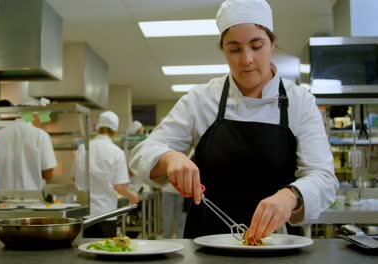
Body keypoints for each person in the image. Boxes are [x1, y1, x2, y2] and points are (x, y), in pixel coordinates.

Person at [129, 0, 338, 241]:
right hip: (206, 243)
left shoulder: (300, 102)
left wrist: (291, 196)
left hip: (277, 244)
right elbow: (142, 153)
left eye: (256, 45)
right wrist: (169, 158)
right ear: (223, 50)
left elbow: (323, 177)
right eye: (234, 49)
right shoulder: (202, 99)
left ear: (273, 42)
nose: (246, 59)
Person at [72, 111, 139, 238]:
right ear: (114, 131)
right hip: (105, 214)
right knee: (105, 251)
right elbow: (119, 187)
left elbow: (74, 177)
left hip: (84, 214)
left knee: (84, 252)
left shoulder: (82, 148)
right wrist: (132, 196)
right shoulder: (116, 152)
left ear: (99, 128)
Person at [0, 114, 57, 190]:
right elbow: (47, 174)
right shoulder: (41, 135)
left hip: (2, 198)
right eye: (42, 120)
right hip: (31, 198)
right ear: (35, 116)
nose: (41, 124)